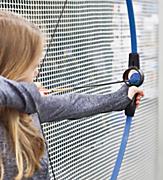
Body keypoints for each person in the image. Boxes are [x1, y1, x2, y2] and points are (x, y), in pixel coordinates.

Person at [0, 10, 144, 180]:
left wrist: (122, 98)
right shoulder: (28, 101)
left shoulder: (29, 107)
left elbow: (73, 103)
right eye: (33, 66)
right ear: (14, 65)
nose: (37, 71)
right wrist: (31, 94)